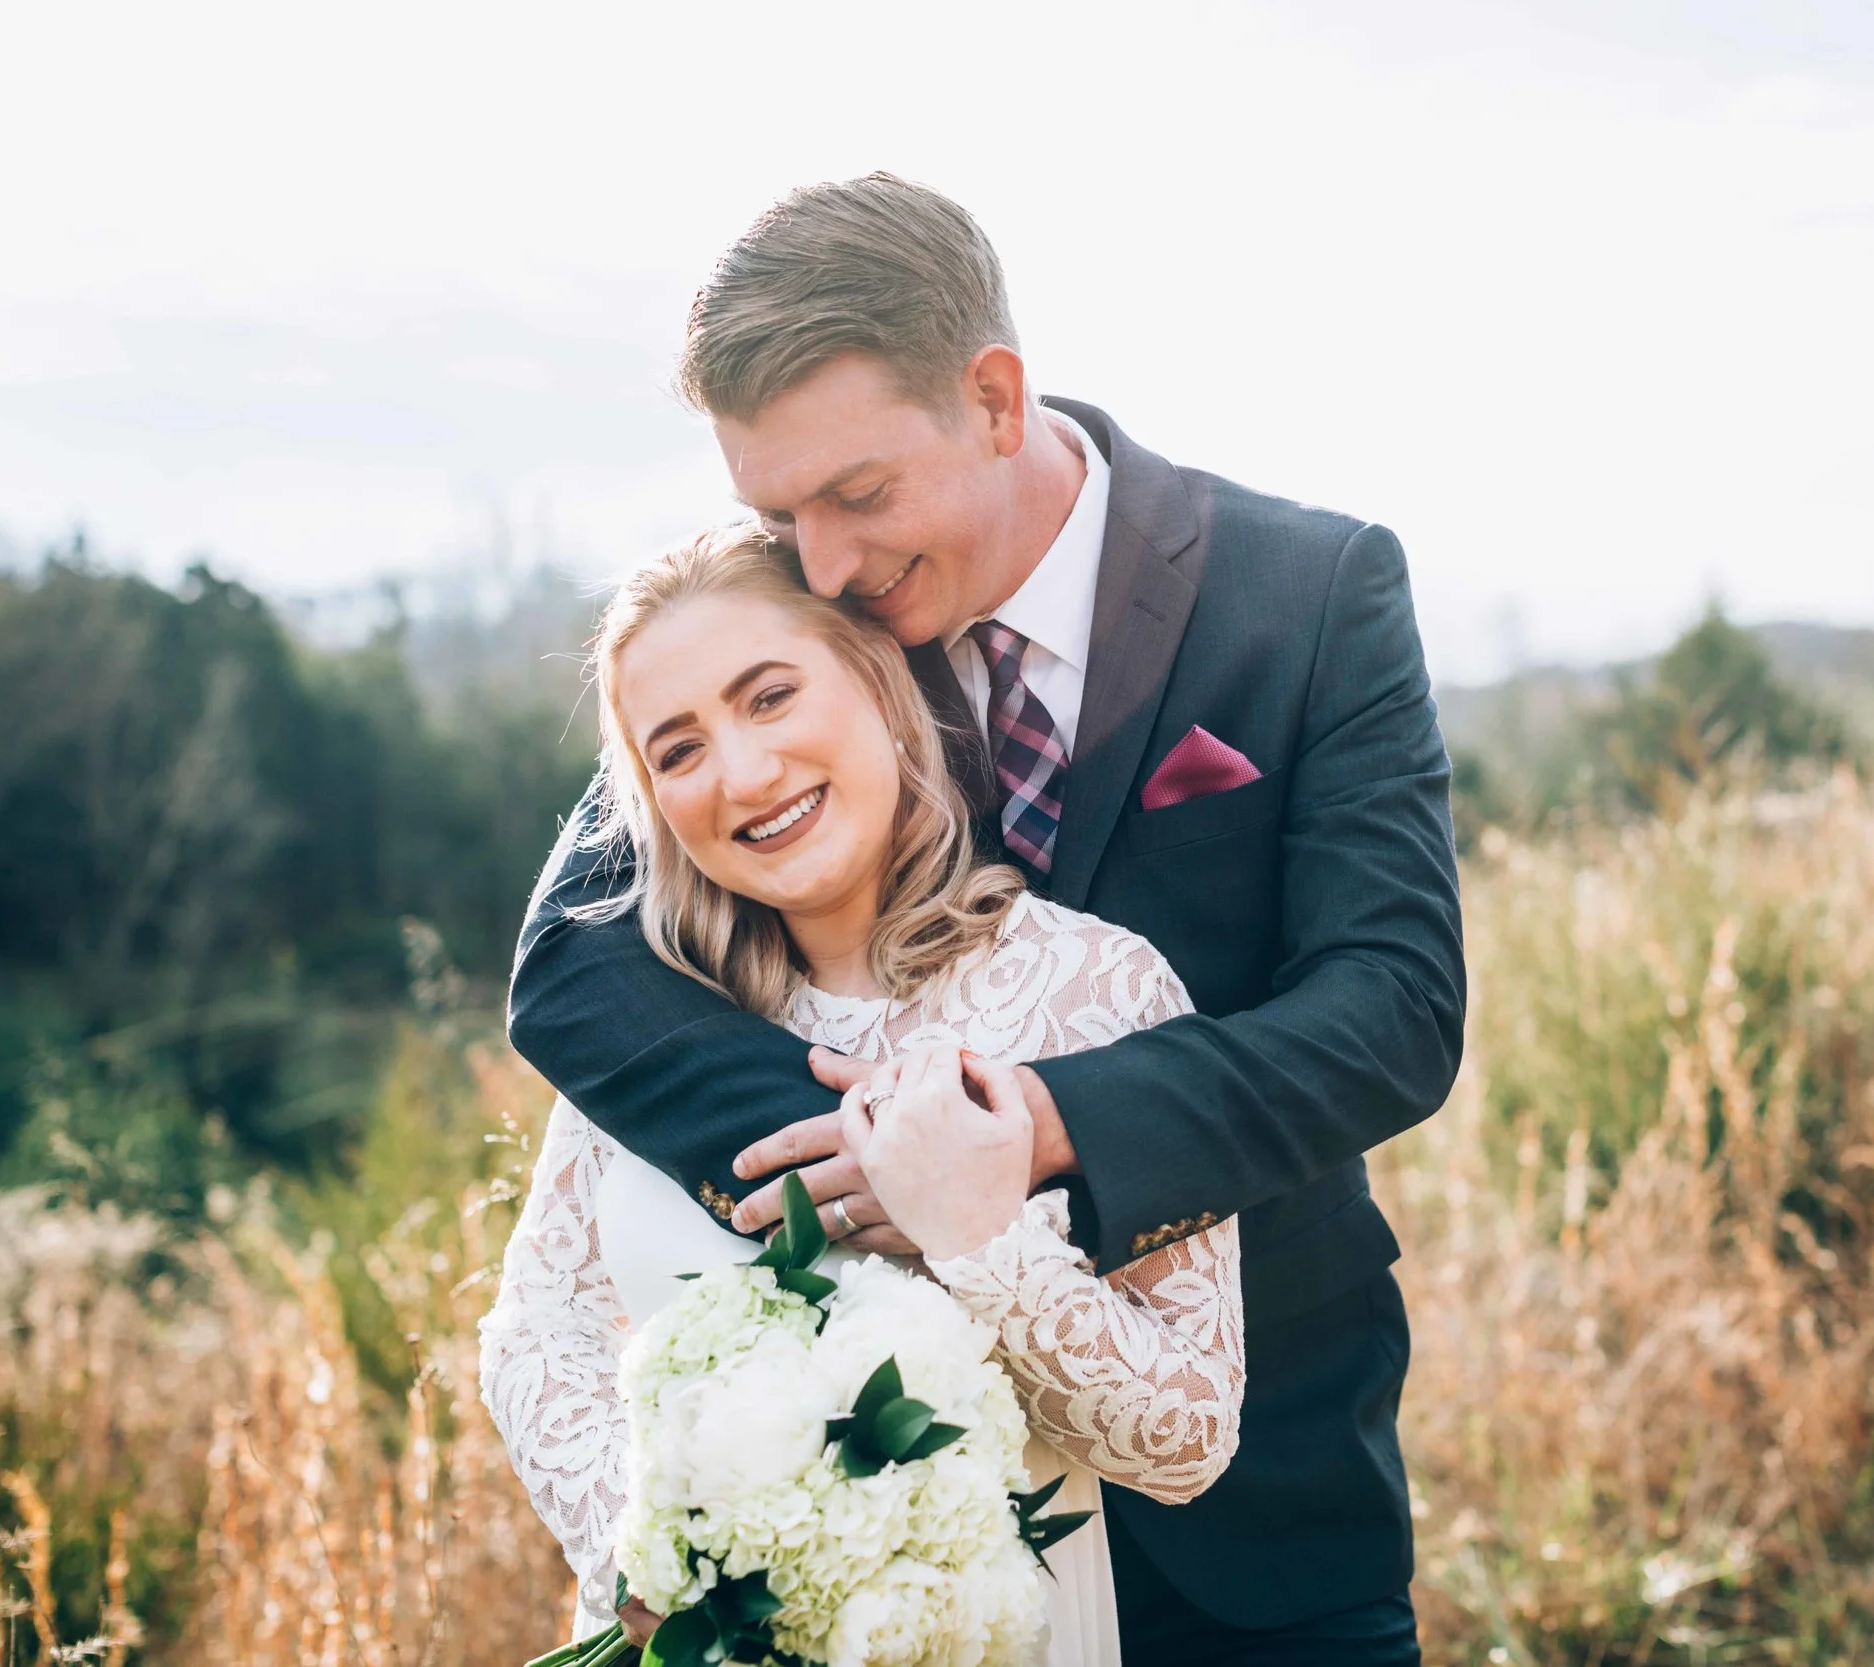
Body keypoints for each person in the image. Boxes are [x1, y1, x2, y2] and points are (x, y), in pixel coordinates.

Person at [509, 173, 1465, 1665]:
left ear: (996, 399)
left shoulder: (1309, 591)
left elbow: (1392, 1006)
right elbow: (573, 957)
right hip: (876, 1508)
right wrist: (860, 1199)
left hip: (1256, 1470)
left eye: (859, 494)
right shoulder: (797, 620)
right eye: (775, 512)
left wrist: (1023, 1133)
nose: (823, 561)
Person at [480, 526, 1244, 1662]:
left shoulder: (1095, 988)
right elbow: (537, 1329)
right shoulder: (651, 1019)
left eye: (770, 696)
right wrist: (663, 1553)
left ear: (880, 685)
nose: (744, 774)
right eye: (678, 750)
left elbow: (1189, 1438)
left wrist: (979, 1238)